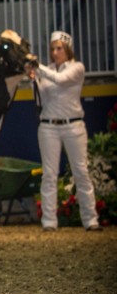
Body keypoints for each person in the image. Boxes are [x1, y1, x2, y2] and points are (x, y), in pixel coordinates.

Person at [25, 31, 101, 231]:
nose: (55, 52)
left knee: (81, 173)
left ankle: (91, 220)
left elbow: (61, 79)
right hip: (48, 126)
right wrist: (33, 78)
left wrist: (38, 67)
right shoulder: (47, 71)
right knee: (49, 175)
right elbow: (41, 97)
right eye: (52, 49)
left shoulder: (77, 68)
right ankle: (49, 221)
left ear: (67, 49)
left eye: (59, 48)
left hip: (74, 126)